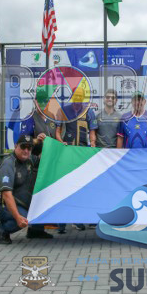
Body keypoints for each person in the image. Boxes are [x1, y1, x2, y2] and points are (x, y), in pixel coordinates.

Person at [0, 134, 53, 244]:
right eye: (23, 147)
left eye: (29, 148)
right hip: (2, 204)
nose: (26, 150)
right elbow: (6, 194)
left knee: (44, 203)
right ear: (16, 146)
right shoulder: (8, 164)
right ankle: (2, 229)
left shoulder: (30, 159)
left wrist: (47, 143)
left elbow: (46, 160)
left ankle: (35, 231)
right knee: (24, 217)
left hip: (19, 201)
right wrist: (17, 217)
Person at [55, 87, 97, 233]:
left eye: (80, 98)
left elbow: (92, 132)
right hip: (67, 154)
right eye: (75, 98)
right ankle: (61, 223)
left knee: (82, 187)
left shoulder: (89, 112)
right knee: (64, 187)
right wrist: (61, 142)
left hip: (82, 155)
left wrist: (93, 145)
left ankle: (80, 219)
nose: (77, 101)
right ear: (72, 97)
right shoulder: (63, 110)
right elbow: (57, 131)